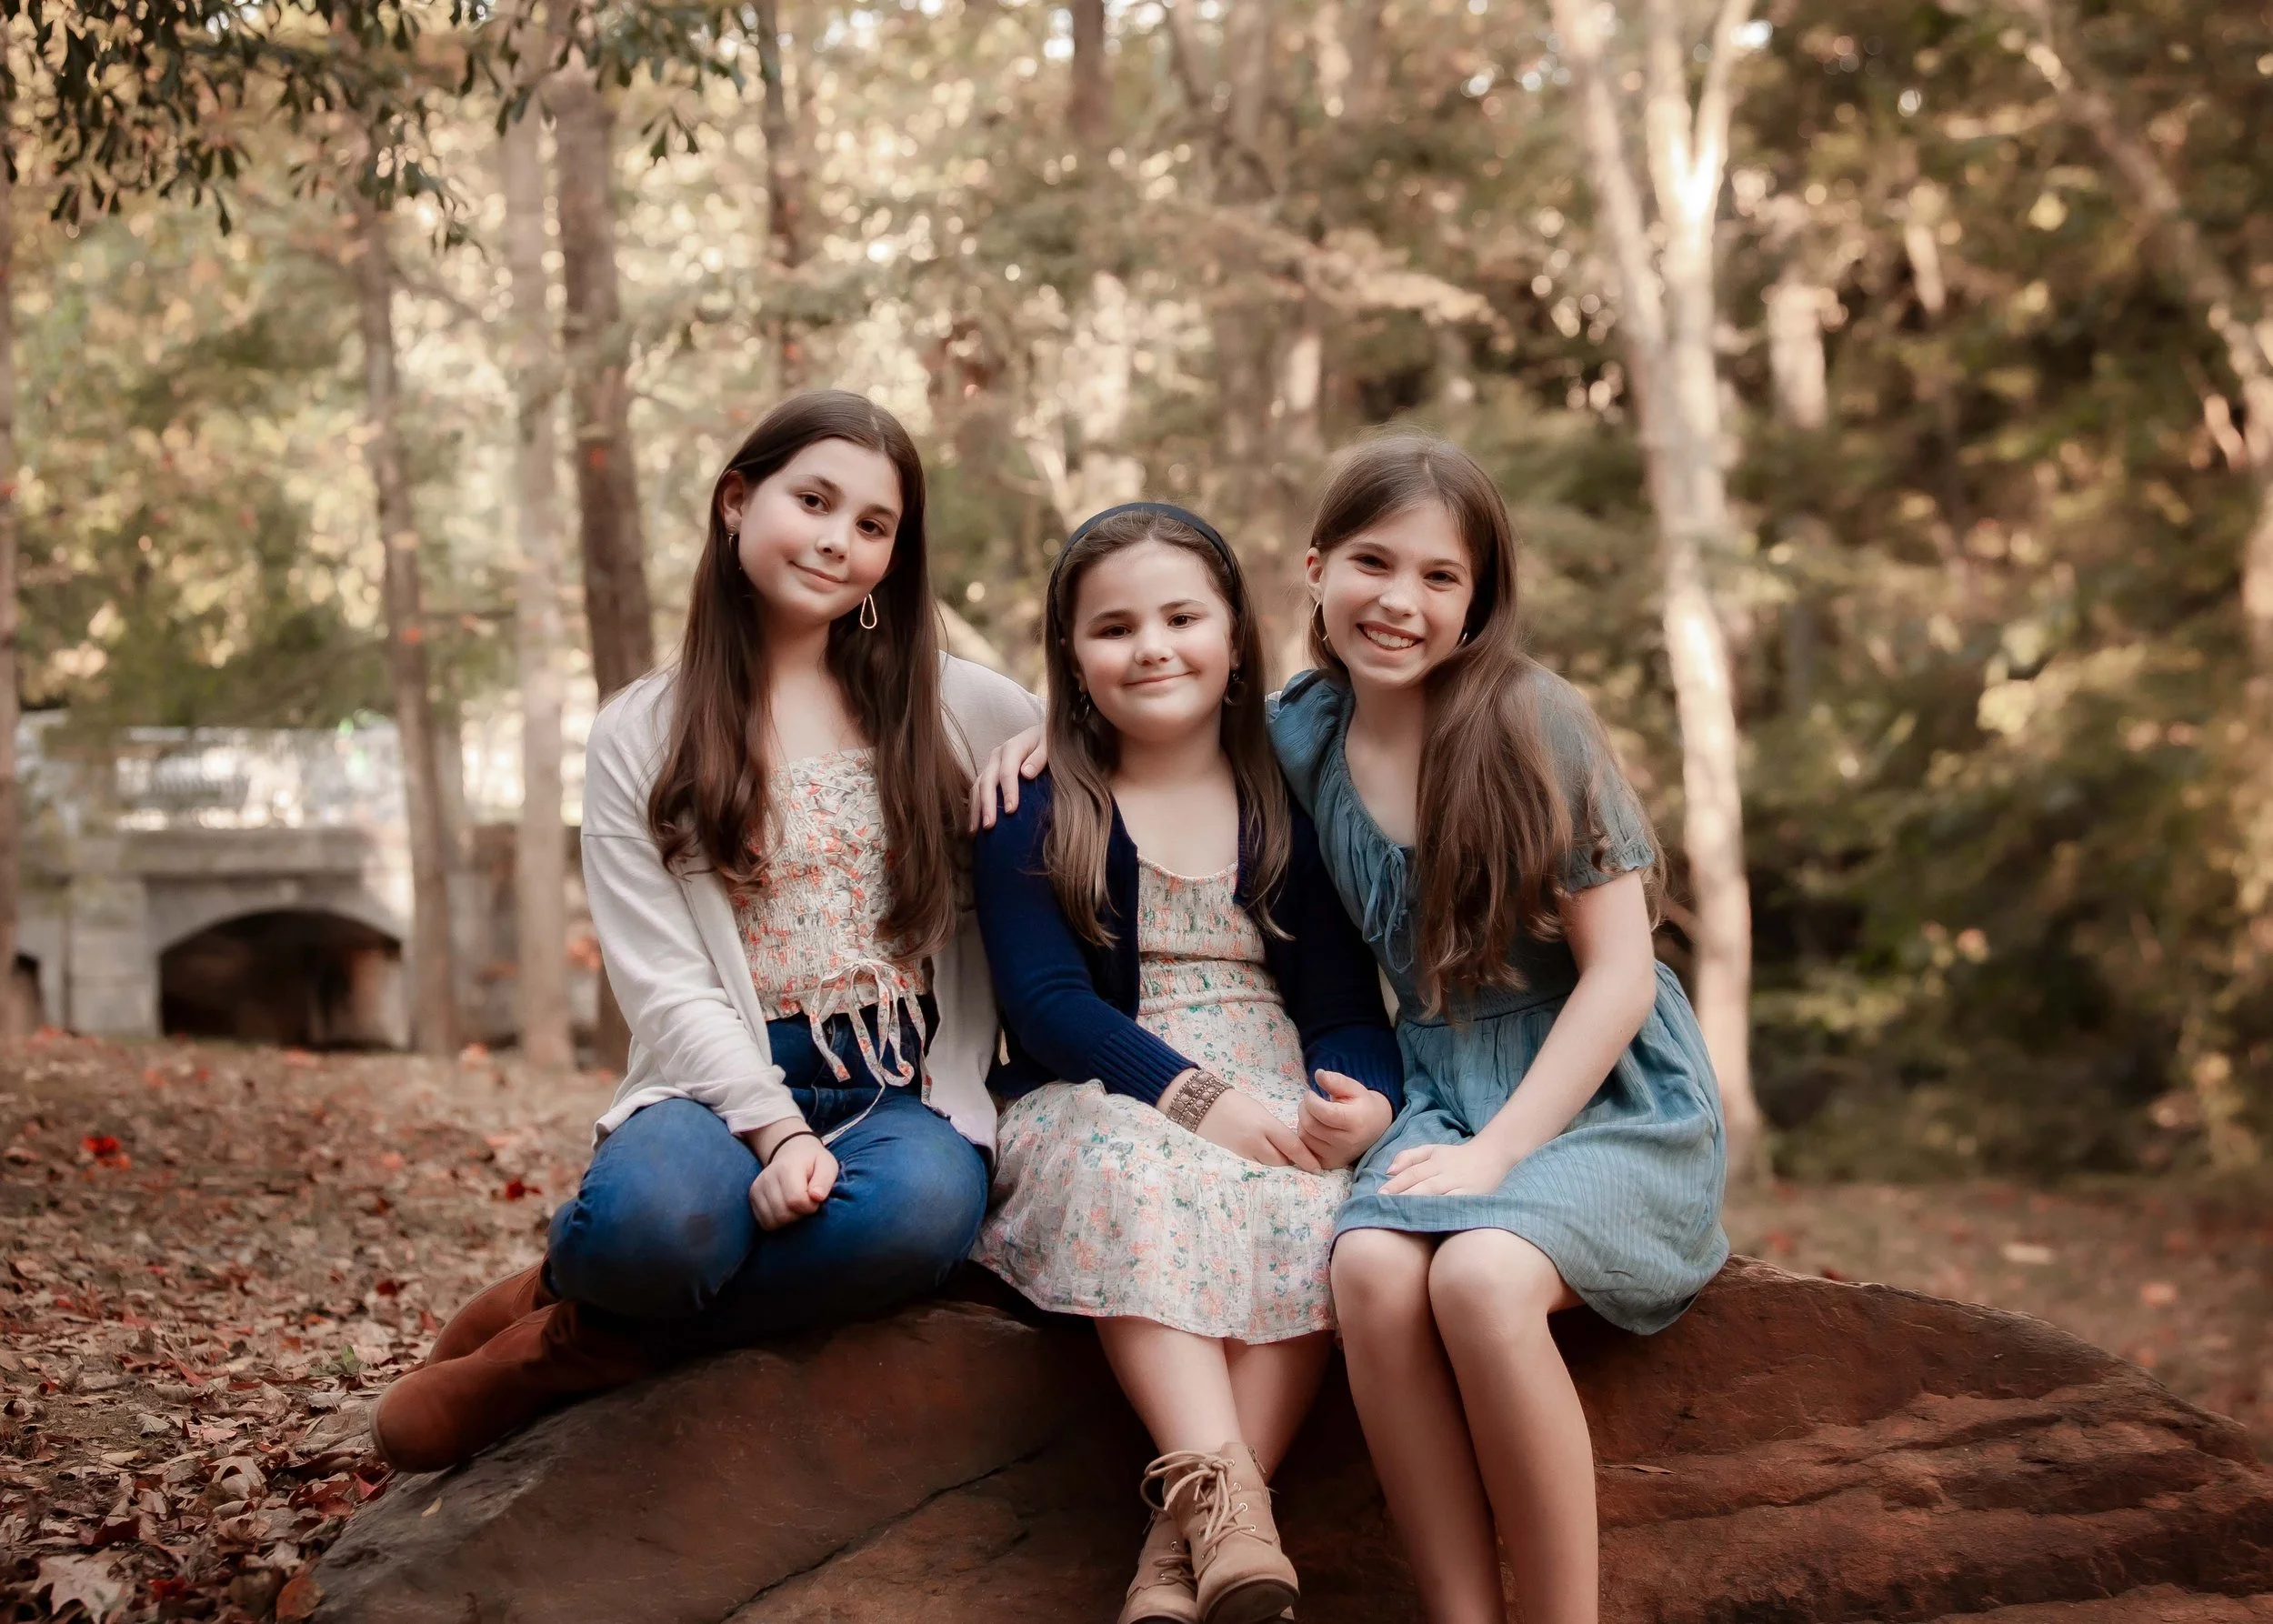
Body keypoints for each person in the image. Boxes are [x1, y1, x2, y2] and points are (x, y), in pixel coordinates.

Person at [372, 390, 1041, 1472]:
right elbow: (665, 982)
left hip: (904, 1086)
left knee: (914, 1220)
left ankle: (575, 1338)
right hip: (715, 1078)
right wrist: (772, 1132)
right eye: (813, 500)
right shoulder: (643, 730)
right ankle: (595, 1271)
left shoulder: (962, 707)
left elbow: (1113, 723)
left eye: (874, 525)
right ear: (737, 500)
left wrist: (1046, 740)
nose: (839, 540)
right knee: (655, 1228)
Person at [969, 503, 1403, 1624]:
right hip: (1106, 1085)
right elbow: (1048, 1003)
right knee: (1132, 1175)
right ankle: (1230, 1512)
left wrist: (1360, 1099)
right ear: (1070, 656)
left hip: (1271, 1075)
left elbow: (1342, 1004)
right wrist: (1191, 1098)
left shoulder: (1290, 792)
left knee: (1318, 1205)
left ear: (1234, 636)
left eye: (1179, 616)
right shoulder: (1032, 800)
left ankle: (1187, 1551)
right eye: (1112, 627)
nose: (1150, 645)